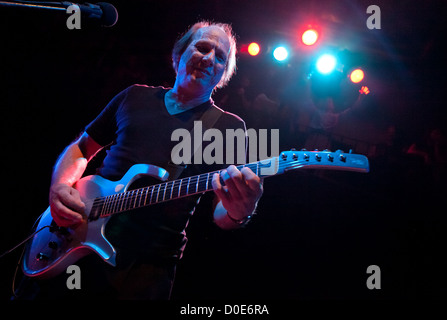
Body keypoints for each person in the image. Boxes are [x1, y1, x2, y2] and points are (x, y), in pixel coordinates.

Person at [14, 21, 263, 300]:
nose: (209, 58)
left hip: (143, 270)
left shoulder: (228, 128)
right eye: (203, 47)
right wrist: (60, 185)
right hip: (73, 236)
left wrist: (240, 212)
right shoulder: (134, 96)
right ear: (179, 53)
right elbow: (81, 149)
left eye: (220, 58)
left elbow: (222, 212)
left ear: (222, 76)